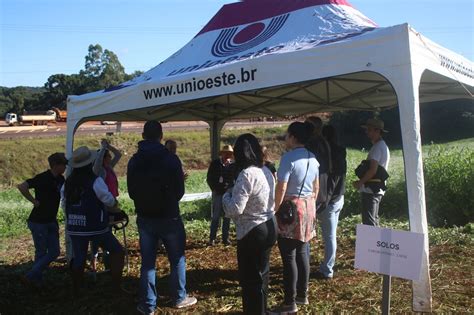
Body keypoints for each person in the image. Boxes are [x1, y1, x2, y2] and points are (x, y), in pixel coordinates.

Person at [127, 121, 197, 314]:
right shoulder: (171, 159)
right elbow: (179, 191)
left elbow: (132, 192)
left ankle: (148, 305)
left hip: (145, 217)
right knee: (177, 259)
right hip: (169, 216)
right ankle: (179, 297)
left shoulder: (134, 160)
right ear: (161, 135)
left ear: (143, 135)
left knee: (148, 263)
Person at [222, 134, 277, 314]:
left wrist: (226, 195)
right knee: (263, 274)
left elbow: (235, 209)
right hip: (269, 224)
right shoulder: (266, 170)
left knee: (250, 278)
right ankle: (262, 309)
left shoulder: (246, 174)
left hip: (252, 231)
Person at [63, 146, 124, 295]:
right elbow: (108, 200)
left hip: (75, 226)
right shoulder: (95, 181)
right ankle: (116, 286)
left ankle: (76, 288)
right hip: (95, 226)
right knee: (117, 251)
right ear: (90, 163)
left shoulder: (68, 182)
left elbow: (64, 204)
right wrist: (117, 207)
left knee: (79, 257)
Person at [274, 122, 319, 313]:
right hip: (309, 206)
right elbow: (316, 187)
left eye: (287, 135)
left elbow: (281, 186)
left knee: (288, 256)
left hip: (290, 208)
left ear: (293, 137)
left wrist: (275, 209)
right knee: (302, 252)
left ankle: (289, 302)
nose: (285, 138)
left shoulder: (288, 158)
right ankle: (302, 295)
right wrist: (309, 204)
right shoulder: (313, 157)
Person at [17, 152, 68, 287]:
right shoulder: (42, 178)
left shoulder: (61, 180)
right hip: (38, 221)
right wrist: (33, 201)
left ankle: (31, 276)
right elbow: (22, 186)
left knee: (54, 251)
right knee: (41, 252)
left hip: (51, 220)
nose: (66, 167)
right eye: (64, 165)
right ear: (56, 165)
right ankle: (36, 281)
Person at [315, 125, 347, 280]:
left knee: (329, 236)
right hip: (339, 197)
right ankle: (328, 266)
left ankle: (327, 270)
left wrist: (323, 202)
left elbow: (330, 180)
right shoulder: (341, 150)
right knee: (331, 235)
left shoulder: (328, 153)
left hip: (330, 200)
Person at [91, 139, 122, 271]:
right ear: (103, 158)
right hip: (103, 203)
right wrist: (103, 149)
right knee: (102, 229)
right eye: (108, 156)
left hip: (112, 202)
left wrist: (109, 146)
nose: (110, 158)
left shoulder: (109, 168)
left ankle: (107, 258)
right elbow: (97, 163)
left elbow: (119, 155)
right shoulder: (99, 170)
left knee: (108, 229)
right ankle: (95, 259)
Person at [352, 118, 390, 226]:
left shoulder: (378, 147)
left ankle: (372, 242)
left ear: (377, 131)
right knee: (373, 220)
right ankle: (375, 242)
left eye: (369, 130)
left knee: (369, 223)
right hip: (375, 189)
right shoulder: (381, 146)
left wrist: (360, 182)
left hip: (372, 189)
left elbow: (373, 170)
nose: (367, 132)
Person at [206, 144, 235, 246]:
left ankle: (225, 238)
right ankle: (212, 238)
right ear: (222, 153)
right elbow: (209, 178)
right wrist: (214, 189)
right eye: (226, 153)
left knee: (227, 216)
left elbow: (234, 179)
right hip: (218, 193)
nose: (228, 155)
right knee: (216, 216)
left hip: (228, 193)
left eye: (229, 154)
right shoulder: (215, 164)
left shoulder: (233, 165)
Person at [305, 116, 332, 212]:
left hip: (315, 189)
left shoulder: (314, 143)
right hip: (321, 188)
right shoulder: (323, 142)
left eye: (307, 125)